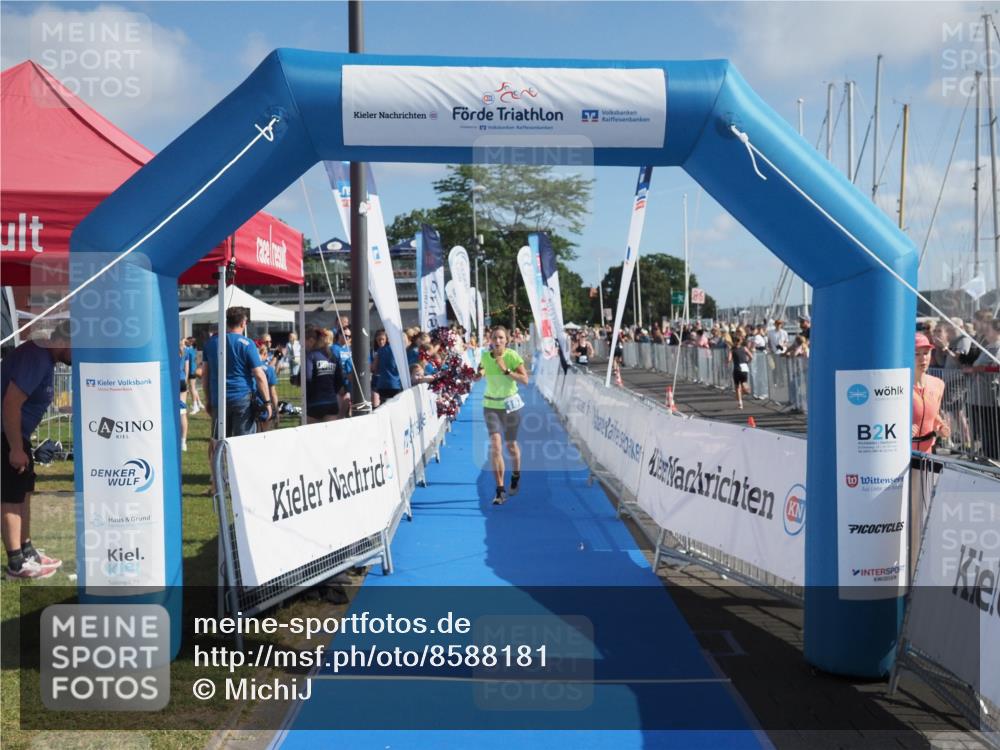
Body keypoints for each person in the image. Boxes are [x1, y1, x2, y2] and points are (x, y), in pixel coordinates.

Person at [2, 321, 71, 579]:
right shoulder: (37, 355)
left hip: (16, 434)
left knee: (24, 492)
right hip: (7, 434)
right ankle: (16, 563)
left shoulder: (46, 358)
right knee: (11, 496)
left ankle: (27, 551)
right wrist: (15, 448)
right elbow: (10, 404)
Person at [475, 326, 530, 505]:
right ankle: (499, 490)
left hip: (510, 405)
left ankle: (515, 475)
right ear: (490, 340)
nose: (497, 341)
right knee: (496, 447)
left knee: (511, 446)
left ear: (507, 340)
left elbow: (525, 380)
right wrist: (477, 374)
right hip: (490, 405)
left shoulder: (512, 356)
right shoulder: (484, 356)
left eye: (501, 338)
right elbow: (481, 371)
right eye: (494, 338)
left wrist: (507, 371)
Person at [202, 307, 272, 438]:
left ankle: (219, 460)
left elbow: (205, 374)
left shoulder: (210, 343)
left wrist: (208, 399)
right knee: (244, 442)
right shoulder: (247, 344)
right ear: (243, 323)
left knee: (219, 442)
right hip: (242, 398)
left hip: (219, 398)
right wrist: (267, 402)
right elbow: (259, 374)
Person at [912, 332, 950, 454]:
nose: (923, 358)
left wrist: (941, 426)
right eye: (916, 354)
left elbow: (934, 415)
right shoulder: (898, 386)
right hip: (902, 453)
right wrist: (901, 428)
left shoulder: (938, 384)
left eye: (926, 353)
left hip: (927, 452)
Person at [304, 327, 345, 423]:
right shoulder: (333, 356)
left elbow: (308, 379)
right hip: (331, 402)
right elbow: (339, 380)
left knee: (312, 436)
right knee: (330, 436)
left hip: (314, 403)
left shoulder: (311, 356)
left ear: (313, 341)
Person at [372, 330, 403, 405]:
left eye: (383, 339)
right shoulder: (397, 349)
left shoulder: (379, 351)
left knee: (384, 407)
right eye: (379, 340)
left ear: (387, 339)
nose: (381, 342)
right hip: (396, 384)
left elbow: (374, 369)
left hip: (383, 385)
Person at [257, 341, 280, 432]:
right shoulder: (269, 370)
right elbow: (273, 393)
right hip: (265, 405)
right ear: (265, 354)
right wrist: (276, 410)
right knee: (265, 434)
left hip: (249, 404)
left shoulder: (247, 368)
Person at [728, 334, 753, 409]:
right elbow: (751, 356)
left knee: (737, 387)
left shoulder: (732, 349)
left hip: (737, 368)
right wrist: (747, 362)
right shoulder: (744, 348)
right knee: (744, 383)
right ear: (741, 341)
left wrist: (728, 362)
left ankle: (740, 402)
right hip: (744, 367)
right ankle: (746, 391)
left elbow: (728, 359)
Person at [184, 336, 203, 414]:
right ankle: (199, 403)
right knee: (193, 388)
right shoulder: (193, 350)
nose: (185, 342)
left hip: (191, 372)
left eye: (187, 341)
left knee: (192, 389)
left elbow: (189, 363)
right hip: (192, 371)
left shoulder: (189, 350)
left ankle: (195, 406)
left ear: (191, 342)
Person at [178, 340, 189, 452]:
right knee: (182, 412)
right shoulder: (185, 352)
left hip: (172, 381)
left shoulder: (168, 349)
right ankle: (183, 441)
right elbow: (187, 368)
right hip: (181, 381)